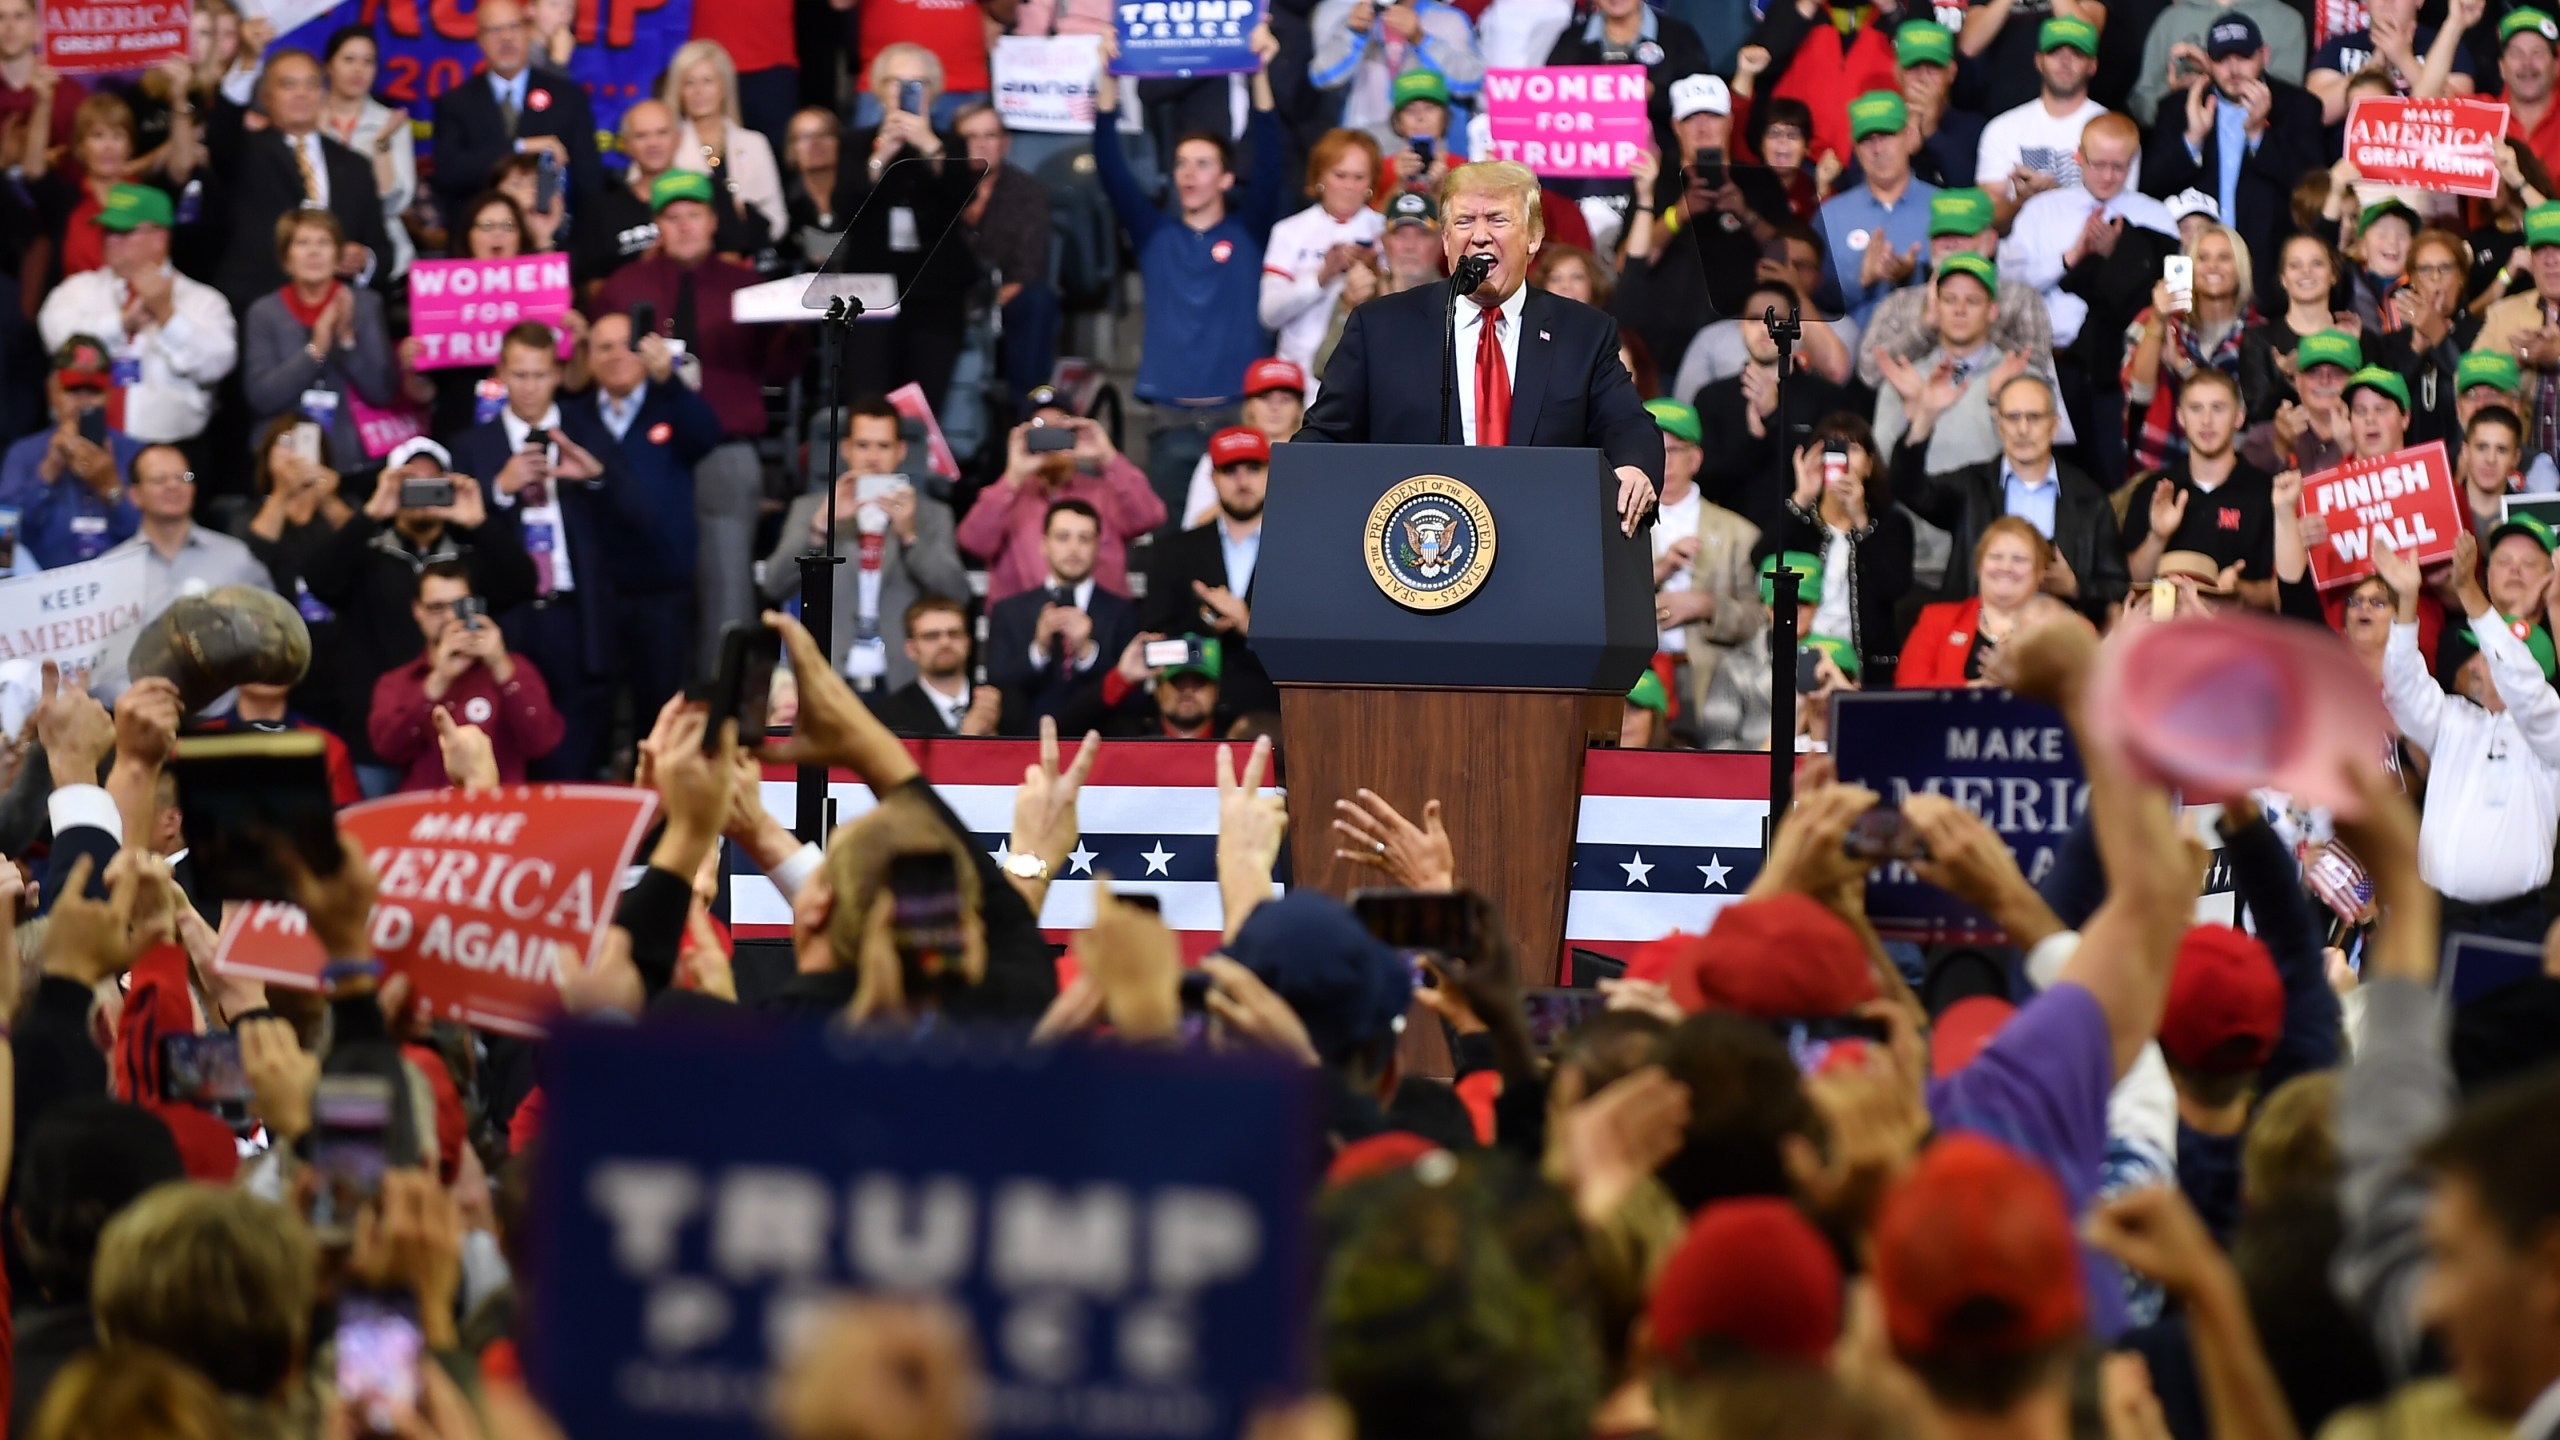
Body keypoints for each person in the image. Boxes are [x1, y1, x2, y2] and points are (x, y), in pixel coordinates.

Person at [1299, 161, 1663, 536]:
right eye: (1464, 222)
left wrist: (1634, 466)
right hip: (1418, 560)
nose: (1480, 236)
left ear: (1534, 237)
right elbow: (1324, 437)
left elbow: (1626, 423)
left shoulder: (1583, 333)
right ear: (1445, 239)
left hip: (1543, 547)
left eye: (1497, 220)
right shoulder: (1380, 327)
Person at [596, 171, 796, 673]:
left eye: (695, 215)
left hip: (722, 447)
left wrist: (794, 326)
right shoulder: (624, 287)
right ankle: (651, 717)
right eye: (673, 216)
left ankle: (723, 712)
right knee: (641, 582)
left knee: (727, 582)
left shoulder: (749, 288)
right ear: (658, 224)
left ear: (712, 222)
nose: (684, 226)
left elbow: (779, 369)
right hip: (643, 451)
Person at [1093, 25, 1288, 507]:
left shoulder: (1248, 231)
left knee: (1244, 545)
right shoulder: (1154, 232)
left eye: (1202, 164)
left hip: (1238, 419)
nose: (1188, 174)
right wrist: (1110, 76)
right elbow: (1109, 163)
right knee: (1168, 554)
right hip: (1169, 421)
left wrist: (1259, 73)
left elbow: (1271, 159)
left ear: (1225, 177)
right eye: (1181, 163)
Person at [447, 320, 641, 781]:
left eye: (539, 375)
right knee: (508, 755)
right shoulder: (471, 447)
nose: (530, 388)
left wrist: (594, 478)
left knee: (574, 761)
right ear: (500, 374)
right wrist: (498, 489)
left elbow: (638, 520)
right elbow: (456, 541)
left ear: (557, 373)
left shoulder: (590, 432)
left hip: (577, 617)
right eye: (519, 375)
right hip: (507, 616)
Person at [302, 438, 534, 796]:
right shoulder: (366, 555)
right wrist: (372, 513)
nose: (423, 495)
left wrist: (479, 522)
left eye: (434, 484)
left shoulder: (470, 557)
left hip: (463, 729)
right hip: (378, 732)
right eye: (412, 484)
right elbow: (319, 580)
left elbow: (523, 584)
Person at [2374, 531, 2560, 943]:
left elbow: (2526, 690)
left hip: (2519, 922)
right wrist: (2406, 604)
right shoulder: (2454, 718)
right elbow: (2402, 690)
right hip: (2439, 914)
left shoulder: (2551, 732)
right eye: (2477, 652)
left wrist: (2471, 594)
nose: (2475, 664)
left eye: (2487, 655)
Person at [2003, 112, 2182, 485]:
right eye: (2098, 164)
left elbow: (2182, 295)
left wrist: (2127, 254)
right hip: (2051, 365)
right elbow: (2007, 282)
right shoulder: (2042, 211)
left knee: (2116, 481)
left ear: (2133, 163)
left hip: (2124, 374)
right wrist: (2071, 257)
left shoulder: (2157, 215)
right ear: (2078, 157)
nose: (2107, 176)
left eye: (2119, 167)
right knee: (2053, 479)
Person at [760, 394, 970, 690]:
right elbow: (775, 583)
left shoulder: (932, 515)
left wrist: (910, 536)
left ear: (901, 451)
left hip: (903, 680)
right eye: (863, 445)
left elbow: (956, 594)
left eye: (883, 446)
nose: (872, 457)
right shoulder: (811, 509)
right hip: (829, 674)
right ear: (845, 449)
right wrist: (821, 527)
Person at [571, 310, 726, 708]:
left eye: (628, 345)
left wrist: (671, 382)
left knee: (660, 710)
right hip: (595, 593)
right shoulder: (573, 418)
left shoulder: (670, 404)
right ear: (588, 357)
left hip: (664, 590)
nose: (616, 355)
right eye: (604, 347)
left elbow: (709, 436)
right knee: (594, 711)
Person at [1893, 371, 2129, 624]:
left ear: (2055, 424)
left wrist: (2074, 587)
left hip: (2055, 638)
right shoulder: (1972, 486)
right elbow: (1908, 487)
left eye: (2034, 417)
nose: (2023, 429)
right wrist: (1925, 417)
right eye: (2013, 417)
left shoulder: (2088, 498)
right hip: (1976, 633)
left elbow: (2117, 585)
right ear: (1999, 424)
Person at [2142, 16, 2324, 315]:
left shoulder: (2299, 107)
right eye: (2223, 59)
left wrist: (2258, 136)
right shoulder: (2178, 108)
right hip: (2196, 276)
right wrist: (2192, 140)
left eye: (2243, 57)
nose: (2234, 69)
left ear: (2263, 55)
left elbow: (2312, 194)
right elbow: (2149, 186)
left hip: (2270, 273)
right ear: (2208, 63)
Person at [35, 184, 236, 449]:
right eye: (108, 230)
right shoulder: (77, 289)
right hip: (85, 445)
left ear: (160, 238)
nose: (111, 240)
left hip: (174, 454)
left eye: (124, 232)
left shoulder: (203, 300)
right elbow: (60, 342)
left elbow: (216, 364)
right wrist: (122, 324)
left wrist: (167, 315)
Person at [835, 48, 979, 411]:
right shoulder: (855, 143)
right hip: (871, 292)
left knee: (925, 405)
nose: (904, 91)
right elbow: (844, 210)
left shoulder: (952, 146)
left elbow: (964, 202)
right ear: (879, 91)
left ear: (935, 90)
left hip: (935, 292)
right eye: (894, 83)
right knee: (866, 399)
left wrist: (930, 148)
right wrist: (881, 156)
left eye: (916, 84)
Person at [203, 49, 394, 314]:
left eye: (312, 84)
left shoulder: (355, 165)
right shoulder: (243, 152)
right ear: (266, 97)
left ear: (323, 94)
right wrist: (247, 62)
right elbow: (223, 126)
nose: (302, 93)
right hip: (259, 308)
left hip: (338, 312)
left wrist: (365, 261)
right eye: (288, 85)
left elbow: (382, 250)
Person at [369, 559, 563, 791]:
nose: (451, 617)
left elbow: (541, 743)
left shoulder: (514, 669)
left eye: (460, 606)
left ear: (477, 607)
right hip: (426, 818)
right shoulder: (397, 682)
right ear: (418, 611)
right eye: (437, 608)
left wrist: (500, 665)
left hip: (498, 814)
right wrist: (439, 679)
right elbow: (388, 750)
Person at [1858, 188, 2058, 406]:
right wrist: (1926, 326)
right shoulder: (1899, 302)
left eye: (1962, 234)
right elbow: (1870, 374)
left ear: (1990, 241)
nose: (1949, 244)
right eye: (1941, 235)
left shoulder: (2020, 298)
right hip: (1916, 424)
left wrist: (1977, 327)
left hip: (1996, 421)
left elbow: (2036, 373)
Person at [240, 208, 397, 475]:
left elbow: (381, 391)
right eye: (302, 243)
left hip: (352, 458)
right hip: (284, 461)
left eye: (324, 242)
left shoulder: (366, 305)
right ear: (285, 258)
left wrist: (346, 339)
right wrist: (316, 349)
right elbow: (262, 397)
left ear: (337, 256)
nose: (314, 252)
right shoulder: (264, 313)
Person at [958, 403, 1164, 602]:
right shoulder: (1005, 496)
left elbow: (1151, 516)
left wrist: (1107, 457)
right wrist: (1013, 476)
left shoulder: (1104, 492)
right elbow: (973, 543)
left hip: (1102, 625)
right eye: (1040, 429)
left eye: (1061, 426)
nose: (1051, 437)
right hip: (1022, 627)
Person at [1762, 413, 1914, 680]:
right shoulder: (1799, 519)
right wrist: (1801, 498)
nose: (1841, 459)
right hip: (1799, 658)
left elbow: (1895, 586)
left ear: (1869, 464)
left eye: (1852, 449)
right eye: (1832, 448)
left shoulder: (1892, 523)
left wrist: (1861, 524)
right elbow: (1760, 562)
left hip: (1866, 665)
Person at [1643, 399, 1766, 725]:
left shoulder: (1737, 534)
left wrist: (1707, 606)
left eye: (1672, 450)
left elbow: (1757, 619)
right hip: (1639, 679)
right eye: (1651, 446)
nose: (1661, 460)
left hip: (1710, 679)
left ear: (1695, 459)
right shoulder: (1618, 523)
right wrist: (1659, 571)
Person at [1873, 253, 2052, 478]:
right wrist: (1914, 410)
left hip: (1996, 511)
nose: (1960, 309)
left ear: (1992, 310)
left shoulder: (2021, 379)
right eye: (1949, 299)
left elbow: (2033, 468)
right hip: (1915, 511)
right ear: (1935, 307)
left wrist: (1997, 404)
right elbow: (1881, 463)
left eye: (1973, 301)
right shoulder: (1906, 380)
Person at [1694, 276, 1853, 527]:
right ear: (1740, 326)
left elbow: (1834, 478)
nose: (1764, 327)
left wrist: (1774, 417)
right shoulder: (1712, 397)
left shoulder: (1827, 397)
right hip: (1731, 541)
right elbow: (1703, 479)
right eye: (1754, 318)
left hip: (1807, 535)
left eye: (1777, 318)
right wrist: (1754, 438)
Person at [1142, 426, 1277, 719]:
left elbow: (1305, 648)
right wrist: (1204, 625)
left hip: (1273, 713)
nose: (1242, 481)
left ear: (1271, 473)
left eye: (1253, 468)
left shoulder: (1293, 552)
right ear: (1213, 478)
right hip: (1192, 717)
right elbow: (1155, 640)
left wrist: (1248, 624)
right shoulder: (1172, 550)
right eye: (1230, 470)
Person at [428, 0, 602, 224]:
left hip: (552, 238)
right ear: (479, 40)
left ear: (528, 31)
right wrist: (520, 147)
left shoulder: (568, 98)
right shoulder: (455, 103)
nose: (506, 37)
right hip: (480, 241)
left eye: (514, 27)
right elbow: (449, 173)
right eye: (495, 30)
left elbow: (590, 182)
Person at [984, 499, 1140, 732]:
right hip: (1027, 745)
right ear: (1043, 544)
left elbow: (1134, 696)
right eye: (1062, 537)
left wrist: (1088, 652)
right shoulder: (1008, 611)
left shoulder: (1123, 611)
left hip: (1103, 746)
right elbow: (997, 685)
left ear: (1099, 546)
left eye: (1084, 538)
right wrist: (1039, 649)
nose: (1073, 548)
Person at [2126, 370, 2279, 608]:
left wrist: (2239, 591)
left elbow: (2284, 593)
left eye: (2218, 408)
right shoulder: (2153, 490)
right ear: (2180, 417)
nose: (2206, 420)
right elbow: (2133, 584)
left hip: (2240, 636)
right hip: (2165, 632)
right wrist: (2157, 537)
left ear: (2239, 417)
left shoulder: (2267, 493)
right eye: (2196, 409)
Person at [2122, 222, 2255, 475]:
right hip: (2158, 462)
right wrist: (2159, 321)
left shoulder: (2257, 332)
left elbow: (2244, 409)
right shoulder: (2154, 319)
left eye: (2224, 258)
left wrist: (2182, 366)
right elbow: (2139, 393)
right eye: (2203, 258)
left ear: (2241, 269)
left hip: (2235, 470)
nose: (2213, 266)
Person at [0, 337, 142, 568]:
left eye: (94, 390)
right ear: (51, 391)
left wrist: (110, 486)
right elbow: (2, 550)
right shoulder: (23, 454)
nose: (83, 401)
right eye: (73, 389)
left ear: (110, 394)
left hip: (120, 590)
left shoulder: (135, 453)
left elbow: (156, 539)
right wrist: (47, 472)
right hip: (41, 587)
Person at [105, 444, 274, 631]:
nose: (173, 485)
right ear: (135, 495)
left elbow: (269, 629)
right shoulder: (110, 572)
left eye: (183, 477)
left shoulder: (235, 558)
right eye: (159, 479)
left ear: (193, 488)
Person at [952, 103, 1055, 409]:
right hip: (947, 298)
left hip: (1005, 296)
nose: (981, 143)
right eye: (970, 136)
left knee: (1038, 301)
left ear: (1005, 143)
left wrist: (990, 305)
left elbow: (1028, 267)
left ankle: (1028, 408)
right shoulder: (939, 186)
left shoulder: (1028, 192)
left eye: (990, 135)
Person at [1262, 129, 1386, 373]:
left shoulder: (1385, 230)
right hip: (1298, 373)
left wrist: (1375, 271)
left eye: (1359, 177)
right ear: (1319, 177)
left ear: (1371, 183)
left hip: (1365, 370)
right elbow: (1269, 314)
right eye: (1340, 175)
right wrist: (1322, 275)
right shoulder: (1289, 230)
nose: (1349, 187)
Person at [1813, 92, 1940, 329]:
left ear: (1909, 137)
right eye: (1867, 139)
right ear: (1856, 149)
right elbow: (1813, 299)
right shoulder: (1830, 216)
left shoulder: (1943, 206)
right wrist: (1861, 278)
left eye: (1886, 135)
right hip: (1854, 356)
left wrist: (1913, 275)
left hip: (1930, 354)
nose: (1878, 148)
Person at [1897, 517, 2064, 685]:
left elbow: (2078, 694)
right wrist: (1972, 690)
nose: (2005, 567)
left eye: (2019, 559)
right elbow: (1909, 689)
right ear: (1979, 565)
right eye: (1995, 557)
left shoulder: (2066, 628)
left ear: (2040, 572)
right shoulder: (1936, 619)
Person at [1976, 18, 2119, 207]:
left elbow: (2120, 213)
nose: (2065, 61)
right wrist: (2022, 200)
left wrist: (2053, 196)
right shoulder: (2002, 129)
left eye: (2076, 53)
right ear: (2039, 61)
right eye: (2055, 51)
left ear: (2092, 65)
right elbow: (1988, 215)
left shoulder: (2115, 132)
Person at [662, 39, 788, 249]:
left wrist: (747, 237)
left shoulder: (754, 143)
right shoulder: (666, 142)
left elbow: (778, 219)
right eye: (689, 83)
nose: (698, 91)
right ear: (679, 92)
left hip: (751, 258)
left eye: (707, 81)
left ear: (724, 87)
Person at [315, 25, 415, 281]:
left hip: (382, 254)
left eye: (367, 62)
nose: (358, 70)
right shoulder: (307, 119)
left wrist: (380, 144)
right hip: (314, 249)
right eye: (349, 59)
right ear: (329, 65)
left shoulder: (392, 123)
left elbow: (396, 203)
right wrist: (320, 131)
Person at [1308, 0, 1486, 139]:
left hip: (1432, 145)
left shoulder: (1447, 20)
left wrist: (1421, 39)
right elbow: (1322, 77)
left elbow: (1470, 82)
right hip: (1366, 146)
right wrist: (1353, 33)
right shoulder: (1338, 12)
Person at [2128, 0, 2309, 127]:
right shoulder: (2172, 20)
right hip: (2188, 161)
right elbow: (2143, 109)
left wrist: (2212, 72)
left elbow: (2291, 109)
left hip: (2262, 160)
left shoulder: (2286, 20)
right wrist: (2176, 95)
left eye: (2243, 57)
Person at [2303, 0, 2480, 125]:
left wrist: (2403, 59)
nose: (2387, 1)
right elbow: (2315, 113)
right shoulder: (2338, 47)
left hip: (2420, 164)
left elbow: (2460, 118)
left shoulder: (2447, 47)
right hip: (2349, 165)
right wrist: (2376, 63)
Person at [1180, 357, 1305, 529]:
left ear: (1300, 407)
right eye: (1265, 397)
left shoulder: (1313, 460)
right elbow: (1192, 528)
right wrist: (1243, 497)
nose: (1275, 407)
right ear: (1249, 405)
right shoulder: (1219, 455)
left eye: (1285, 399)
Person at [2478, 202, 2560, 464]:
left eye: (2559, 247)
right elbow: (2465, 382)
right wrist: (2514, 364)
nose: (2550, 260)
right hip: (2522, 474)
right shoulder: (2505, 315)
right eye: (2540, 249)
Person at [2239, 233, 2345, 422]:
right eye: (2295, 265)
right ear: (2283, 278)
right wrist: (2286, 379)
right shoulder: (2258, 339)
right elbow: (2257, 415)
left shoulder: (2355, 336)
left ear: (2334, 275)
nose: (2306, 272)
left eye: (2317, 263)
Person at [867, 595, 997, 736]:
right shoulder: (886, 715)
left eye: (954, 634)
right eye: (932, 636)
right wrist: (970, 735)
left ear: (968, 642)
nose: (945, 643)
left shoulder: (1003, 704)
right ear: (911, 649)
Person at [1084, 634, 1230, 738]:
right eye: (1177, 681)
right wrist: (1122, 677)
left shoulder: (1236, 738)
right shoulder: (1129, 736)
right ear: (1157, 689)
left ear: (1217, 690)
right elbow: (1067, 730)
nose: (1187, 690)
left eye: (1199, 681)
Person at [2504, 9, 2560, 182]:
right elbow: (2424, 106)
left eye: (2537, 53)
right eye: (2516, 53)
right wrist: (2455, 24)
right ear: (2500, 67)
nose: (2527, 63)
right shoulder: (2480, 113)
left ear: (2557, 66)